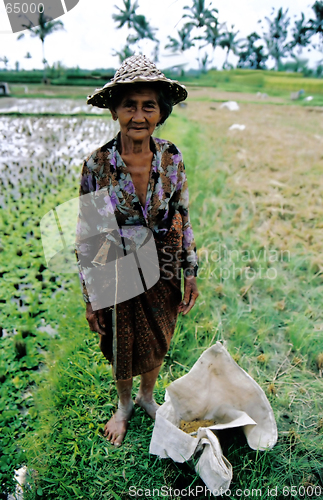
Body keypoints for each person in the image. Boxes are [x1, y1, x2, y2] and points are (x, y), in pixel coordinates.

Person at [75, 55, 199, 447]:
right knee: (121, 339)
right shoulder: (98, 164)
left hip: (163, 264)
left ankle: (148, 395)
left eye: (149, 105)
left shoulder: (171, 156)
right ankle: (125, 403)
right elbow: (89, 235)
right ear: (115, 110)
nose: (139, 115)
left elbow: (182, 211)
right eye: (130, 105)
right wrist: (91, 297)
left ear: (161, 112)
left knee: (160, 334)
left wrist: (190, 268)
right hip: (118, 266)